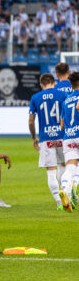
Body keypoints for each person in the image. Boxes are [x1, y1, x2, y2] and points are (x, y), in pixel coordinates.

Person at [28, 73, 67, 210]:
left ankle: (59, 202)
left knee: (51, 171)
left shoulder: (35, 98)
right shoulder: (62, 95)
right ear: (54, 82)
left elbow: (31, 122)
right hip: (62, 136)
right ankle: (65, 193)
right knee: (64, 166)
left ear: (41, 84)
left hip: (46, 138)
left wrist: (34, 138)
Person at [59, 72, 79, 212]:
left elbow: (62, 125)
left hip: (69, 136)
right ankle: (75, 189)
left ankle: (65, 191)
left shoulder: (66, 100)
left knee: (70, 167)